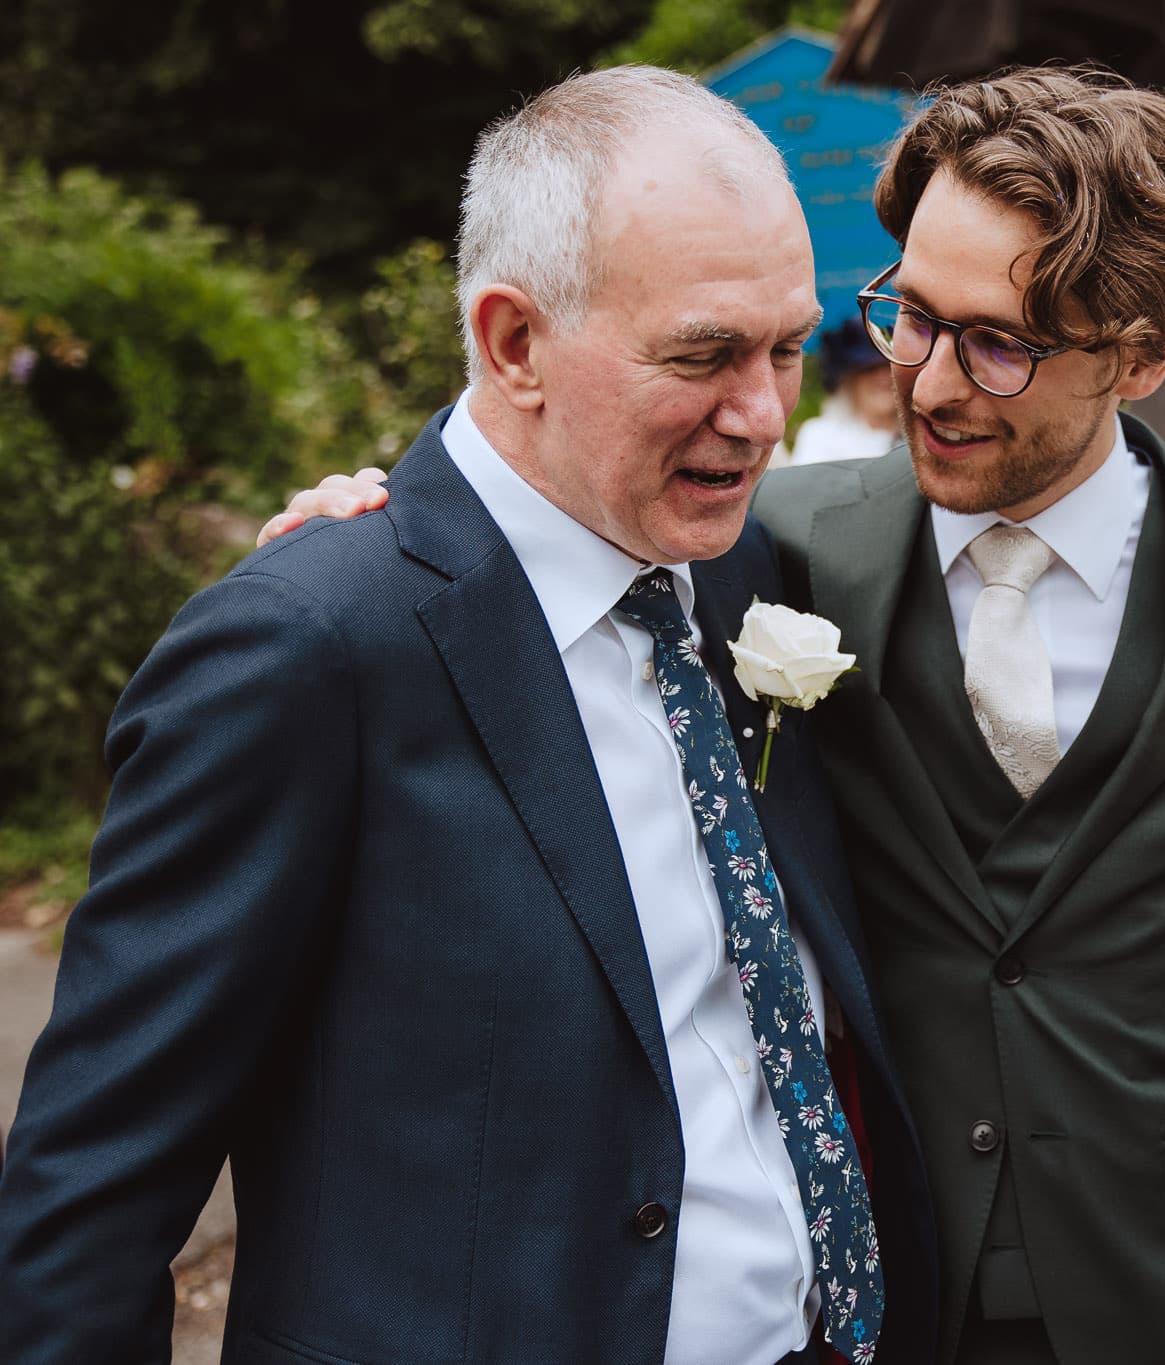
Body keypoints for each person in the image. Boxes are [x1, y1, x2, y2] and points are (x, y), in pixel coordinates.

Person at [264, 67, 1165, 1365]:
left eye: (1000, 343)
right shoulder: (768, 550)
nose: (929, 385)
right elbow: (543, 568)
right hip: (906, 1273)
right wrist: (373, 542)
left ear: (1145, 354)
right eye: (910, 318)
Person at [0, 67, 938, 1365]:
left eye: (785, 348)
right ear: (512, 343)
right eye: (704, 355)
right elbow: (90, 1195)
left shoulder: (742, 574)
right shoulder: (306, 647)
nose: (765, 414)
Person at [790, 318, 902, 465]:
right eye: (869, 369)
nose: (883, 378)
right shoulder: (821, 435)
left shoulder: (921, 437)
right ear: (849, 380)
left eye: (889, 366)